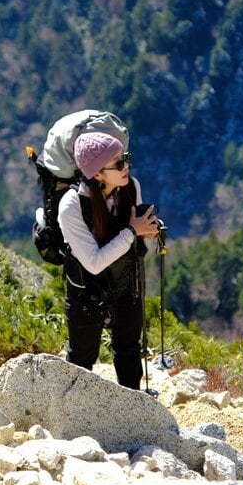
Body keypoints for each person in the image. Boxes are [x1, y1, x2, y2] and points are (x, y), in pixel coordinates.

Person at [57, 131, 160, 389]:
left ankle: (134, 411)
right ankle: (73, 414)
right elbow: (93, 261)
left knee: (129, 351)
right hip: (85, 289)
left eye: (125, 158)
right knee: (82, 357)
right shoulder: (71, 205)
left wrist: (146, 231)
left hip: (126, 281)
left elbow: (135, 241)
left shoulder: (130, 187)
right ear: (97, 174)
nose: (126, 166)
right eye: (118, 164)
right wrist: (133, 232)